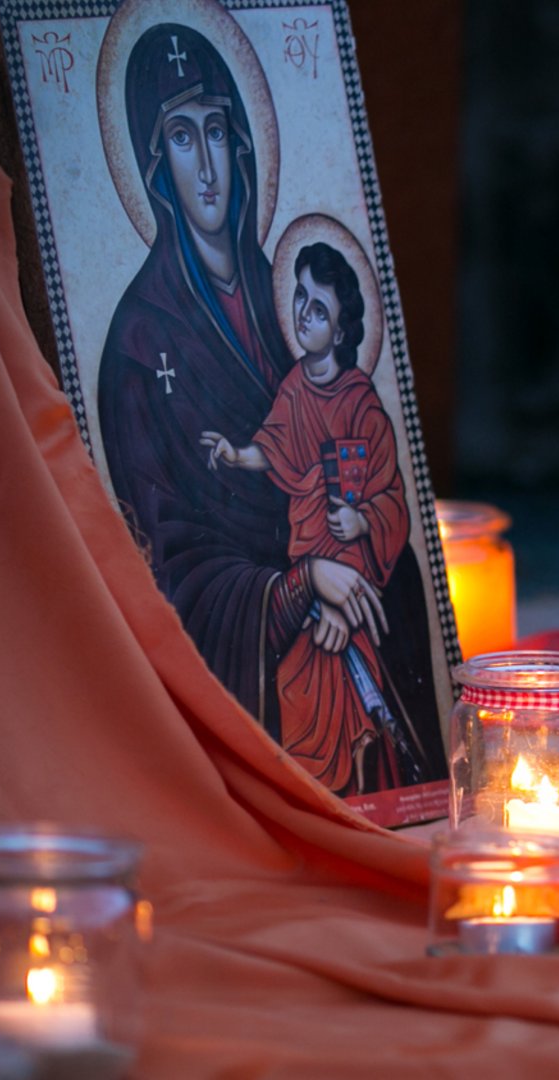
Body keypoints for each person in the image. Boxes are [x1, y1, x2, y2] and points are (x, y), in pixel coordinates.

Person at [97, 24, 382, 739]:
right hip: (252, 651)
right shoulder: (138, 344)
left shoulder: (293, 290)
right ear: (155, 163)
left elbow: (355, 452)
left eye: (217, 132)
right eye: (183, 138)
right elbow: (171, 570)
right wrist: (301, 586)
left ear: (242, 144)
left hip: (345, 593)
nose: (207, 169)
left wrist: (351, 554)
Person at [201, 243, 435, 794]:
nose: (305, 315)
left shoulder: (361, 404)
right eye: (301, 299)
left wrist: (361, 525)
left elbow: (389, 496)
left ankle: (356, 796)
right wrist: (238, 455)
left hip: (350, 576)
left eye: (320, 310)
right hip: (307, 573)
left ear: (342, 329)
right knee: (294, 688)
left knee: (348, 694)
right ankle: (310, 802)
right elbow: (275, 445)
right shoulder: (294, 388)